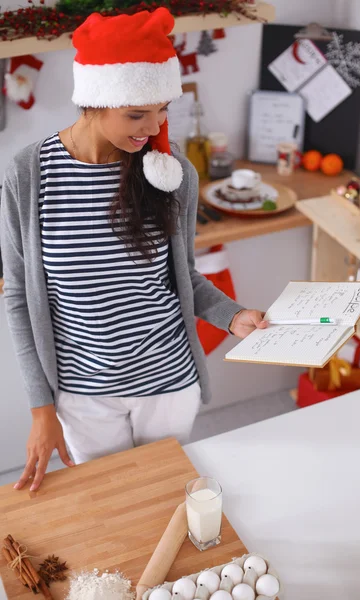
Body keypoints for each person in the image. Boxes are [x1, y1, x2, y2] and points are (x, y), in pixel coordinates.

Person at [0, 7, 267, 493]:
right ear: (96, 100)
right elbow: (18, 297)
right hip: (85, 398)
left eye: (163, 109)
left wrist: (232, 316)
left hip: (169, 382)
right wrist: (42, 411)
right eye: (136, 114)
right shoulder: (28, 174)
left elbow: (183, 275)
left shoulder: (170, 171)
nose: (153, 127)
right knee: (111, 506)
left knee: (165, 500)